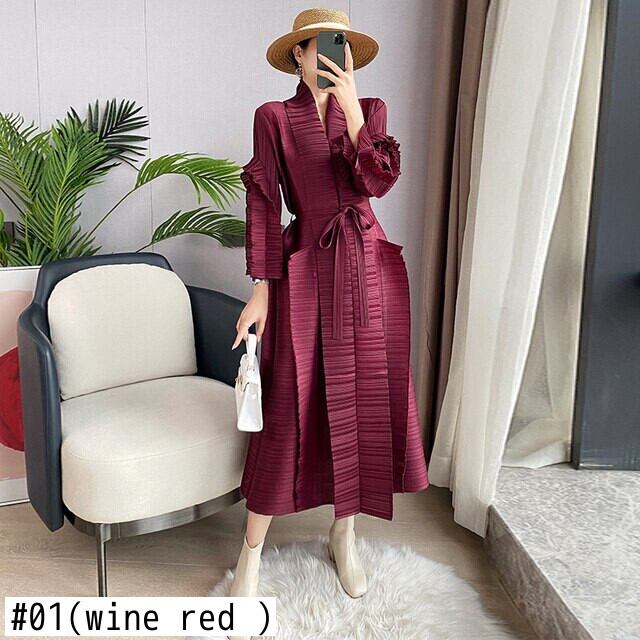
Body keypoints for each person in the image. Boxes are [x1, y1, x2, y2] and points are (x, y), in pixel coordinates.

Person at [229, 7, 429, 626]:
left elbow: (378, 183)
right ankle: (250, 554)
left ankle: (344, 534)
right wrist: (261, 288)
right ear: (298, 53)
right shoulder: (273, 116)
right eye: (320, 45)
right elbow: (263, 203)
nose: (331, 55)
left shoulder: (370, 109)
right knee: (291, 403)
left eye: (339, 45)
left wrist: (354, 115)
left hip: (369, 267)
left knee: (363, 401)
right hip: (306, 266)